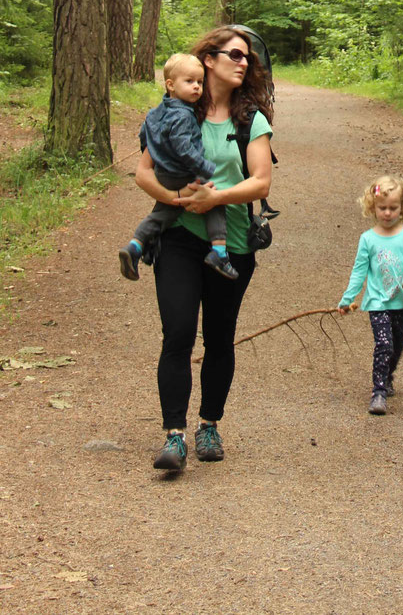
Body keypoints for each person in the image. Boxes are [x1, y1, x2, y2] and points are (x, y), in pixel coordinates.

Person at [135, 26, 274, 472]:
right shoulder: (175, 112)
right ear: (209, 59)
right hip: (178, 237)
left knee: (218, 339)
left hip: (230, 244)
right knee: (177, 333)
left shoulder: (251, 120)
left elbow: (261, 181)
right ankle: (173, 437)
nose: (243, 62)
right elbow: (143, 174)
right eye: (235, 54)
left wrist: (215, 197)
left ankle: (208, 424)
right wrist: (177, 201)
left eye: (248, 58)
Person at [118, 52, 237, 283]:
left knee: (164, 212)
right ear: (171, 85)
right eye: (190, 81)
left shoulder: (157, 111)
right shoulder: (183, 114)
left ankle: (135, 246)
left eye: (200, 83)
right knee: (213, 200)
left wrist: (155, 149)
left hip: (163, 173)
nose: (196, 87)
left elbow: (145, 133)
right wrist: (203, 166)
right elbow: (184, 148)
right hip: (181, 173)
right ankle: (220, 253)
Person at [338, 174, 403, 416]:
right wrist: (348, 298)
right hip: (377, 301)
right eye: (382, 208)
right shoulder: (368, 239)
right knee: (383, 344)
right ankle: (378, 392)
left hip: (402, 300)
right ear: (372, 207)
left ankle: (388, 375)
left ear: (402, 208)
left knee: (397, 344)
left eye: (393, 208)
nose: (387, 213)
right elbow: (359, 271)